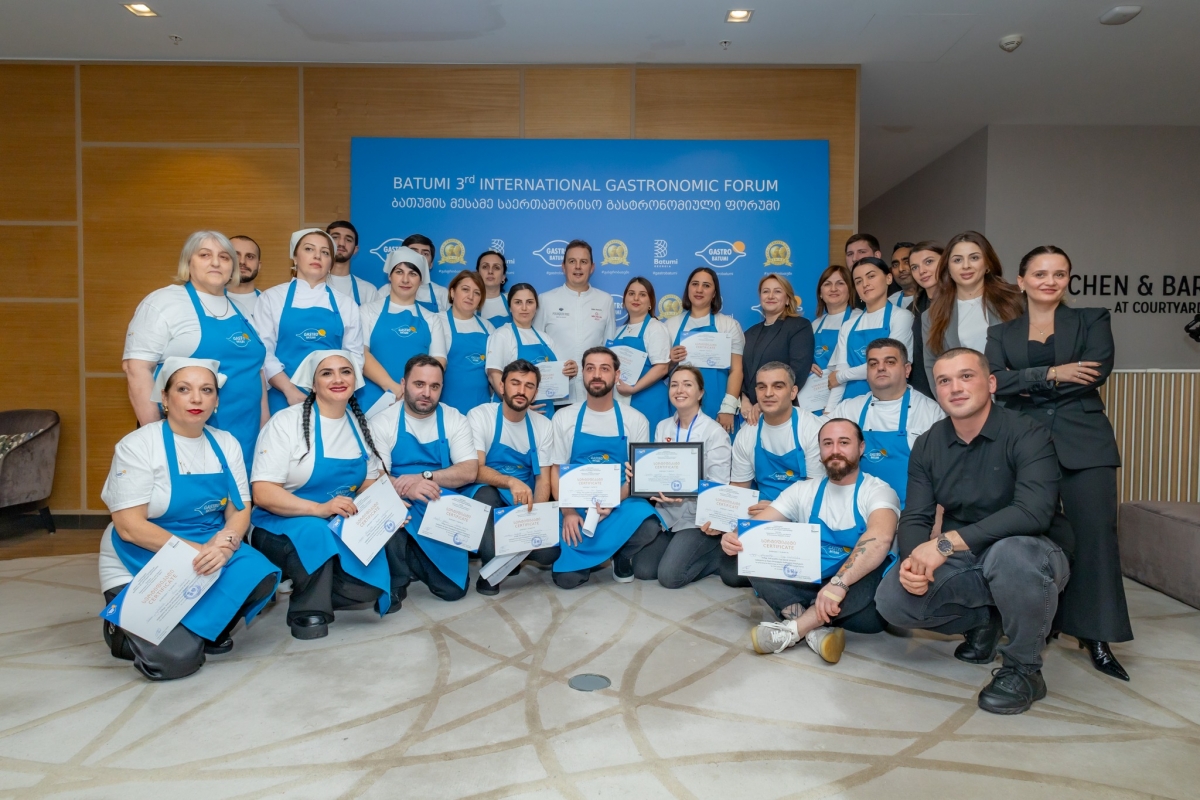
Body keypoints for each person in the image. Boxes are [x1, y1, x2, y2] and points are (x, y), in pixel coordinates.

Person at [874, 348, 1071, 715]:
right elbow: (915, 515)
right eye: (944, 380)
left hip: (1032, 552)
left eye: (966, 376)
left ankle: (1024, 669)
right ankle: (985, 621)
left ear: (991, 383)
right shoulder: (928, 443)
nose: (955, 388)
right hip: (968, 557)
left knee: (1010, 556)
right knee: (892, 600)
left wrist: (944, 544)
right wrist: (914, 561)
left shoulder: (1027, 432)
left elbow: (1033, 512)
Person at [987, 245, 1131, 681]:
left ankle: (1096, 634)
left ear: (1068, 279)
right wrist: (1053, 373)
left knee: (1096, 535)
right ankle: (1040, 622)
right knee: (1031, 533)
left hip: (1086, 442)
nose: (1050, 281)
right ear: (1022, 280)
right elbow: (995, 382)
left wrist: (1024, 384)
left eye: (1060, 274)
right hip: (1026, 444)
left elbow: (1094, 373)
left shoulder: (1092, 319)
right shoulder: (1002, 333)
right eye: (1040, 273)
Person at [99, 359, 279, 680]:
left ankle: (188, 628)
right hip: (144, 552)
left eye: (206, 390)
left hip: (208, 545)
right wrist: (199, 551)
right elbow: (129, 527)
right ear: (165, 398)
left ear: (216, 400)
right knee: (177, 661)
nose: (196, 398)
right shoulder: (139, 445)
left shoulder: (226, 443)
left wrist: (226, 544)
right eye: (184, 389)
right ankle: (122, 630)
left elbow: (240, 509)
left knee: (258, 573)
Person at [250, 351, 407, 640]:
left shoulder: (359, 425)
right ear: (313, 383)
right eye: (327, 373)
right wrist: (319, 508)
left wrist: (390, 507)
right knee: (315, 531)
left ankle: (320, 584)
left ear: (355, 380)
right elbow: (262, 493)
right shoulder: (286, 423)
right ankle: (308, 611)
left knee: (367, 589)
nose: (338, 379)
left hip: (338, 520)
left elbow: (367, 481)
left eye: (345, 372)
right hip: (282, 524)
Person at [724, 418, 899, 663]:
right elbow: (758, 526)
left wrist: (839, 584)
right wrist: (734, 536)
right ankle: (814, 630)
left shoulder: (879, 491)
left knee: (873, 572)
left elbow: (880, 539)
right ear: (820, 451)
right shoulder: (803, 490)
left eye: (844, 442)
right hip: (813, 582)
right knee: (755, 555)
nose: (835, 450)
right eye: (827, 443)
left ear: (861, 448)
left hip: (852, 588)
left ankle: (793, 630)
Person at [122, 231, 267, 470]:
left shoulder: (241, 310)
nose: (216, 262)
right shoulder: (163, 302)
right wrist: (157, 438)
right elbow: (136, 369)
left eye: (224, 257)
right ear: (188, 262)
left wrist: (264, 429)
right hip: (187, 437)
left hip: (246, 434)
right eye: (205, 255)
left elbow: (256, 371)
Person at [550, 347, 663, 589]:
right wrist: (568, 511)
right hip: (576, 505)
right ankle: (591, 553)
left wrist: (611, 503)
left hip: (620, 502)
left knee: (648, 525)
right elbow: (556, 470)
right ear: (582, 374)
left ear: (616, 375)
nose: (597, 375)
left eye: (605, 369)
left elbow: (638, 477)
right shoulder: (564, 418)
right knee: (567, 581)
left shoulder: (635, 420)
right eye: (590, 368)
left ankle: (621, 554)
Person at [369, 356, 480, 601]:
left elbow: (469, 470)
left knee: (453, 591)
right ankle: (396, 579)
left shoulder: (454, 419)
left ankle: (413, 557)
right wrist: (406, 489)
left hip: (436, 499)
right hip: (399, 498)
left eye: (434, 386)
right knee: (388, 512)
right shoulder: (382, 422)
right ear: (403, 384)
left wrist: (423, 477)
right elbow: (378, 476)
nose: (426, 393)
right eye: (419, 384)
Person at [464, 359, 558, 596]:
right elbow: (475, 469)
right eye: (515, 383)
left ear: (535, 393)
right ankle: (492, 572)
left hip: (522, 499)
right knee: (486, 496)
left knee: (550, 553)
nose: (521, 391)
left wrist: (534, 520)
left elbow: (543, 480)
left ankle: (509, 555)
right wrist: (509, 481)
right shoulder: (480, 416)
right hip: (489, 490)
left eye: (529, 386)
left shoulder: (543, 426)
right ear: (502, 386)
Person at [254, 228, 364, 414]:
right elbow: (264, 352)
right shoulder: (271, 298)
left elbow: (354, 357)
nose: (317, 256)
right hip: (283, 397)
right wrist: (290, 390)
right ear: (295, 258)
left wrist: (334, 391)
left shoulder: (346, 304)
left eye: (325, 252)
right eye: (309, 249)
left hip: (332, 400)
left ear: (331, 263)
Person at [826, 338, 945, 506]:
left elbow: (943, 473)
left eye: (890, 362)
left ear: (907, 370)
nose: (880, 368)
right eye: (873, 364)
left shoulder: (930, 412)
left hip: (912, 511)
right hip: (856, 508)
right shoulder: (848, 409)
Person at [651, 366, 737, 589]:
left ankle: (716, 555)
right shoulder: (662, 427)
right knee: (644, 569)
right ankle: (680, 549)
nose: (679, 390)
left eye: (687, 384)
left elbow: (717, 487)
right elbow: (659, 471)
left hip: (698, 519)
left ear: (700, 393)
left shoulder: (715, 432)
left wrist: (686, 494)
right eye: (674, 385)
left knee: (669, 577)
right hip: (667, 514)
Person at [921, 231, 1024, 390]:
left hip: (1013, 395)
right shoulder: (932, 315)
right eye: (957, 260)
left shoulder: (1016, 300)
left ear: (987, 264)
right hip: (963, 398)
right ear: (948, 268)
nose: (966, 266)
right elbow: (931, 365)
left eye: (974, 258)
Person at [357, 246, 448, 415]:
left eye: (413, 274)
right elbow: (360, 353)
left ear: (421, 280)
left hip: (416, 402)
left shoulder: (432, 319)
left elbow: (439, 361)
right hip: (373, 401)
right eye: (399, 272)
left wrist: (413, 392)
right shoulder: (368, 311)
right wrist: (395, 389)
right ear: (390, 276)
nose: (405, 279)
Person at [534, 240, 617, 404]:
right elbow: (536, 348)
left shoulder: (605, 300)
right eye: (572, 261)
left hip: (594, 393)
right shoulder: (545, 300)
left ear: (592, 267)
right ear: (563, 267)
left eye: (583, 262)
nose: (578, 267)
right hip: (555, 395)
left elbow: (610, 349)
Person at [665, 267, 745, 433]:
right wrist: (671, 361)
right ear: (688, 288)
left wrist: (728, 408)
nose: (699, 290)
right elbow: (661, 372)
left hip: (719, 407)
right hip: (681, 407)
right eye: (695, 284)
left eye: (706, 285)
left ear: (714, 293)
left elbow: (737, 370)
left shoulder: (729, 325)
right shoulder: (670, 325)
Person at [825, 257, 915, 407]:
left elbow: (888, 364)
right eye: (858, 281)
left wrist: (841, 376)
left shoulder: (902, 317)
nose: (865, 284)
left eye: (871, 276)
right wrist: (830, 410)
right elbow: (838, 378)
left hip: (888, 403)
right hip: (850, 404)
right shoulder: (848, 325)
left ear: (888, 278)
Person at [731, 363, 824, 505]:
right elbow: (739, 488)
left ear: (793, 392)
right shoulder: (746, 434)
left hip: (803, 511)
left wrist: (776, 510)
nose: (768, 393)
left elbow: (815, 491)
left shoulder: (813, 429)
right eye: (762, 387)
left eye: (778, 386)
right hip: (760, 509)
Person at [485, 283, 578, 418]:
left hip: (545, 413)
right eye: (518, 302)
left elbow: (556, 378)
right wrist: (518, 406)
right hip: (512, 412)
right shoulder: (502, 335)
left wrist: (568, 373)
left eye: (529, 302)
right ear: (510, 307)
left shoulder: (545, 338)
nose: (524, 308)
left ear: (536, 306)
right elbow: (494, 376)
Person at [741, 273, 814, 425]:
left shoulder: (799, 326)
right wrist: (744, 399)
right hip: (750, 415)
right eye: (766, 291)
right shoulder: (749, 333)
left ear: (787, 299)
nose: (770, 296)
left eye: (777, 291)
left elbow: (798, 371)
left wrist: (764, 403)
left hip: (782, 412)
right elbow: (742, 372)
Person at [609, 277, 671, 424]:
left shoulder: (655, 328)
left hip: (648, 401)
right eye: (631, 293)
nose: (636, 298)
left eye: (642, 294)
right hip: (621, 400)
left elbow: (662, 368)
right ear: (624, 300)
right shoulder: (618, 331)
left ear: (650, 302)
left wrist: (633, 388)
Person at [797, 266, 855, 415]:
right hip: (817, 399)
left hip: (849, 396)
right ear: (820, 293)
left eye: (840, 283)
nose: (833, 288)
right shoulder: (814, 325)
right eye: (827, 284)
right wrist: (807, 365)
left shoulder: (859, 319)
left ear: (850, 289)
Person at [437, 271, 495, 413]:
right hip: (446, 407)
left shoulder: (488, 327)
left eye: (477, 293)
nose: (470, 296)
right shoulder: (436, 322)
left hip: (482, 408)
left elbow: (495, 371)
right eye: (465, 289)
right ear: (452, 292)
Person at [905, 241, 943, 399]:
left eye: (929, 262)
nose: (922, 271)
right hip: (922, 391)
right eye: (915, 267)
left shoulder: (959, 302)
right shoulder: (912, 309)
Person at [326, 220, 381, 306]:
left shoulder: (369, 291)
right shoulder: (311, 284)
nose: (341, 243)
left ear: (355, 250)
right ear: (325, 244)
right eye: (335, 237)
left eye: (348, 240)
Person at [403, 233, 450, 314]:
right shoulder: (386, 291)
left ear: (431, 264)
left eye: (425, 254)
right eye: (413, 252)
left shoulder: (442, 293)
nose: (419, 257)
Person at [228, 235, 262, 318]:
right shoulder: (208, 300)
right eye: (235, 255)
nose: (242, 261)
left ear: (259, 266)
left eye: (250, 257)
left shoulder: (269, 303)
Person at [476, 250, 512, 328]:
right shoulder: (469, 302)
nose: (490, 271)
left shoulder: (512, 301)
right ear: (477, 274)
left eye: (496, 268)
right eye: (485, 267)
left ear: (503, 277)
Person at [889, 242, 918, 309]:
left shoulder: (935, 297)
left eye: (907, 262)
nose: (901, 269)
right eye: (895, 265)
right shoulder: (890, 303)